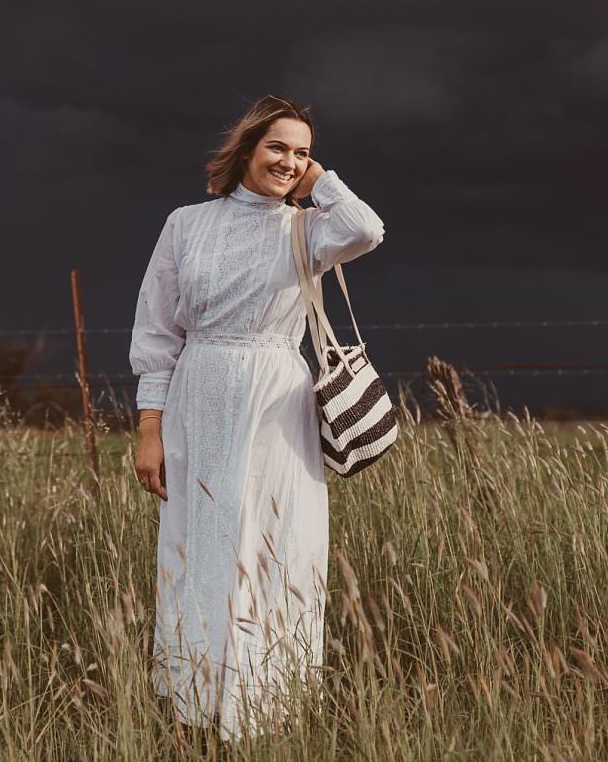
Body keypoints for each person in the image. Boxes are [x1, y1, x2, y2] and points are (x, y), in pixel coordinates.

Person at [128, 94, 386, 742]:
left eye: (301, 151)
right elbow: (159, 333)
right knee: (201, 544)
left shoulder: (308, 227)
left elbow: (367, 228)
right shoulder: (185, 224)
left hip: (278, 404)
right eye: (278, 147)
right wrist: (149, 430)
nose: (289, 161)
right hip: (200, 396)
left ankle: (267, 711)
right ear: (245, 149)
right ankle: (196, 709)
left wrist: (319, 181)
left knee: (277, 548)